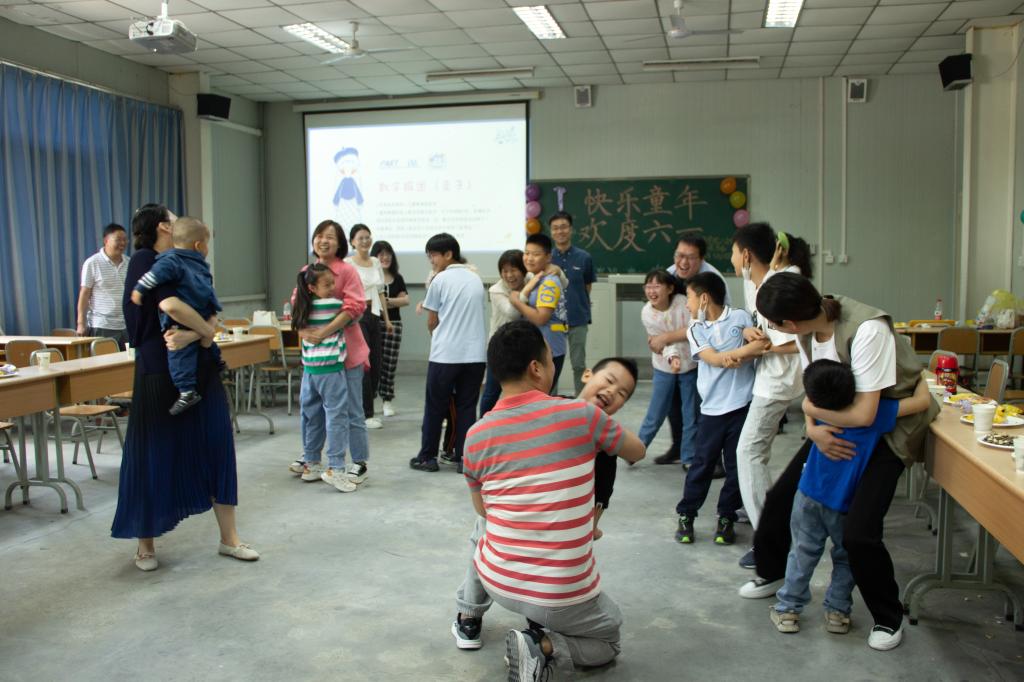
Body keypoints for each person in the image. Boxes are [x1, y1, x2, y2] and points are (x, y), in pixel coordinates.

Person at [741, 272, 940, 652]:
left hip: (887, 430)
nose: (771, 330)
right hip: (835, 425)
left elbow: (866, 414)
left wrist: (813, 414)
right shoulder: (807, 333)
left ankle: (887, 617)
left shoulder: (867, 330)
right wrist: (813, 429)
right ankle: (772, 573)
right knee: (782, 498)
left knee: (859, 533)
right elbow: (811, 393)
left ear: (790, 322)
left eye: (772, 324)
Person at [460, 320, 645, 680]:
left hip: (498, 582)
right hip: (558, 594)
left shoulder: (475, 435)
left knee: (481, 527)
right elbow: (637, 451)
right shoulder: (586, 417)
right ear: (537, 368)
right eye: (550, 359)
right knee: (609, 639)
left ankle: (469, 613)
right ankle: (541, 646)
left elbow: (483, 510)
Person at [111, 203, 257, 571]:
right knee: (153, 454)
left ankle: (230, 538)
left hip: (199, 367)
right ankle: (145, 544)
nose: (180, 222)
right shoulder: (147, 261)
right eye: (173, 218)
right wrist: (206, 332)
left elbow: (208, 308)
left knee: (217, 445)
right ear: (163, 226)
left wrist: (199, 333)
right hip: (159, 371)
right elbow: (171, 306)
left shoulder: (190, 262)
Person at [769, 360, 931, 636]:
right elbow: (922, 402)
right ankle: (837, 612)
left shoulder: (819, 410)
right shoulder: (875, 413)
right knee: (846, 559)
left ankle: (788, 609)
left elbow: (808, 402)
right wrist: (921, 374)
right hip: (844, 502)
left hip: (808, 494)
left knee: (802, 552)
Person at [730, 224, 805, 570]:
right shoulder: (761, 282)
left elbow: (797, 337)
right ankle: (768, 526)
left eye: (734, 253)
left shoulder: (781, 282)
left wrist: (762, 348)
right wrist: (751, 333)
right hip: (770, 378)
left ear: (746, 255)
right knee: (752, 453)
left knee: (749, 452)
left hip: (777, 381)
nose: (732, 260)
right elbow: (762, 325)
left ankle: (769, 541)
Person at [674, 272, 767, 546]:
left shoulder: (739, 317)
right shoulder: (695, 328)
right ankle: (687, 514)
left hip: (741, 406)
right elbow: (712, 359)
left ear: (704, 298)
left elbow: (761, 343)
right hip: (712, 411)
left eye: (689, 298)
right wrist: (740, 353)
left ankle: (726, 517)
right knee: (702, 465)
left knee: (737, 467)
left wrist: (744, 341)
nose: (687, 305)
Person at [287, 221, 370, 486]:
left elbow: (355, 307)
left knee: (351, 410)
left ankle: (358, 462)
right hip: (316, 355)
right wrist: (305, 333)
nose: (324, 241)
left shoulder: (347, 270)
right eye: (319, 236)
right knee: (311, 410)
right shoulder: (306, 272)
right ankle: (311, 457)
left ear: (340, 242)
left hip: (346, 354)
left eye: (330, 237)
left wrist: (323, 332)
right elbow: (296, 306)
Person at [409, 233, 487, 473]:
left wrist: (436, 334)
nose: (431, 261)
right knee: (467, 408)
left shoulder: (440, 280)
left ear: (448, 254)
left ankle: (427, 457)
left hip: (445, 356)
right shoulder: (475, 279)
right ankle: (464, 459)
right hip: (475, 356)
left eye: (433, 255)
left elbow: (432, 320)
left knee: (435, 407)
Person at [130, 217, 224, 415]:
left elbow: (153, 278)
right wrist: (139, 290)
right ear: (198, 245)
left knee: (183, 353)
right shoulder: (176, 261)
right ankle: (191, 385)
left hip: (195, 317)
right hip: (195, 317)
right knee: (183, 353)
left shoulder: (181, 261)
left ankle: (193, 384)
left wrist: (138, 290)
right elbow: (168, 302)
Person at [653, 234, 731, 466]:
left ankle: (709, 459)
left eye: (690, 257)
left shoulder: (712, 280)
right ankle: (679, 448)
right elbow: (657, 311)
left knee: (700, 408)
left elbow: (710, 323)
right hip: (676, 355)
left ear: (702, 259)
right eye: (679, 256)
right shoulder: (669, 275)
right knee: (673, 405)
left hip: (707, 352)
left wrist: (665, 337)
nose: (683, 262)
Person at [636, 269, 698, 470]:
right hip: (663, 365)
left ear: (670, 288)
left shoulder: (683, 303)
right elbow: (657, 343)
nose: (651, 291)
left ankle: (689, 457)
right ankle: (636, 449)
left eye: (657, 286)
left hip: (691, 365)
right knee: (656, 411)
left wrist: (670, 344)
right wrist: (672, 357)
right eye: (648, 286)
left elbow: (693, 329)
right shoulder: (647, 313)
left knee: (691, 414)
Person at [508, 233, 569, 394]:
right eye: (527, 253)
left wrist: (517, 302)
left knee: (540, 397)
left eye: (535, 254)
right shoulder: (535, 278)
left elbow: (541, 318)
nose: (529, 258)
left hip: (549, 348)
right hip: (538, 346)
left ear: (548, 257)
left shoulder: (549, 282)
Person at [345, 224, 392, 429]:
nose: (365, 241)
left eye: (367, 237)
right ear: (352, 242)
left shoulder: (375, 261)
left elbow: (380, 291)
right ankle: (366, 414)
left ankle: (367, 406)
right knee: (364, 363)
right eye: (360, 238)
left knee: (376, 362)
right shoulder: (348, 263)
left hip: (374, 314)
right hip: (358, 315)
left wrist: (387, 319)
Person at [549, 212, 596, 394]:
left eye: (563, 227)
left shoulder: (584, 257)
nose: (560, 231)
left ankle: (582, 400)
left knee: (579, 364)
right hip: (553, 320)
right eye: (555, 228)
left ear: (571, 229)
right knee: (551, 364)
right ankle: (550, 402)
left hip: (577, 318)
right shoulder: (547, 258)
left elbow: (587, 287)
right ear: (551, 232)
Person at [479, 249, 526, 417]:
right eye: (504, 271)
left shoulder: (530, 279)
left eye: (513, 270)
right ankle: (483, 423)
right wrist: (525, 291)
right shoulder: (496, 290)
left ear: (523, 270)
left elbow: (563, 282)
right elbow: (512, 313)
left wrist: (556, 271)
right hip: (500, 346)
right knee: (492, 391)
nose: (509, 275)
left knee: (523, 391)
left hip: (523, 345)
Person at [370, 240, 408, 417]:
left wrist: (386, 301)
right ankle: (369, 401)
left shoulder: (397, 278)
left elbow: (405, 300)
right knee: (372, 364)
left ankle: (387, 400)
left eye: (388, 254)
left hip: (394, 324)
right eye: (381, 254)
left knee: (389, 364)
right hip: (373, 324)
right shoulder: (371, 278)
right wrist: (391, 302)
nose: (385, 257)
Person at [77, 223, 129, 347]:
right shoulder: (92, 263)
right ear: (106, 241)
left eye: (125, 240)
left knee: (129, 359)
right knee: (105, 359)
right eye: (118, 240)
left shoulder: (130, 262)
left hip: (126, 324)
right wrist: (81, 323)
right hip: (102, 325)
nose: (122, 243)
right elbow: (84, 294)